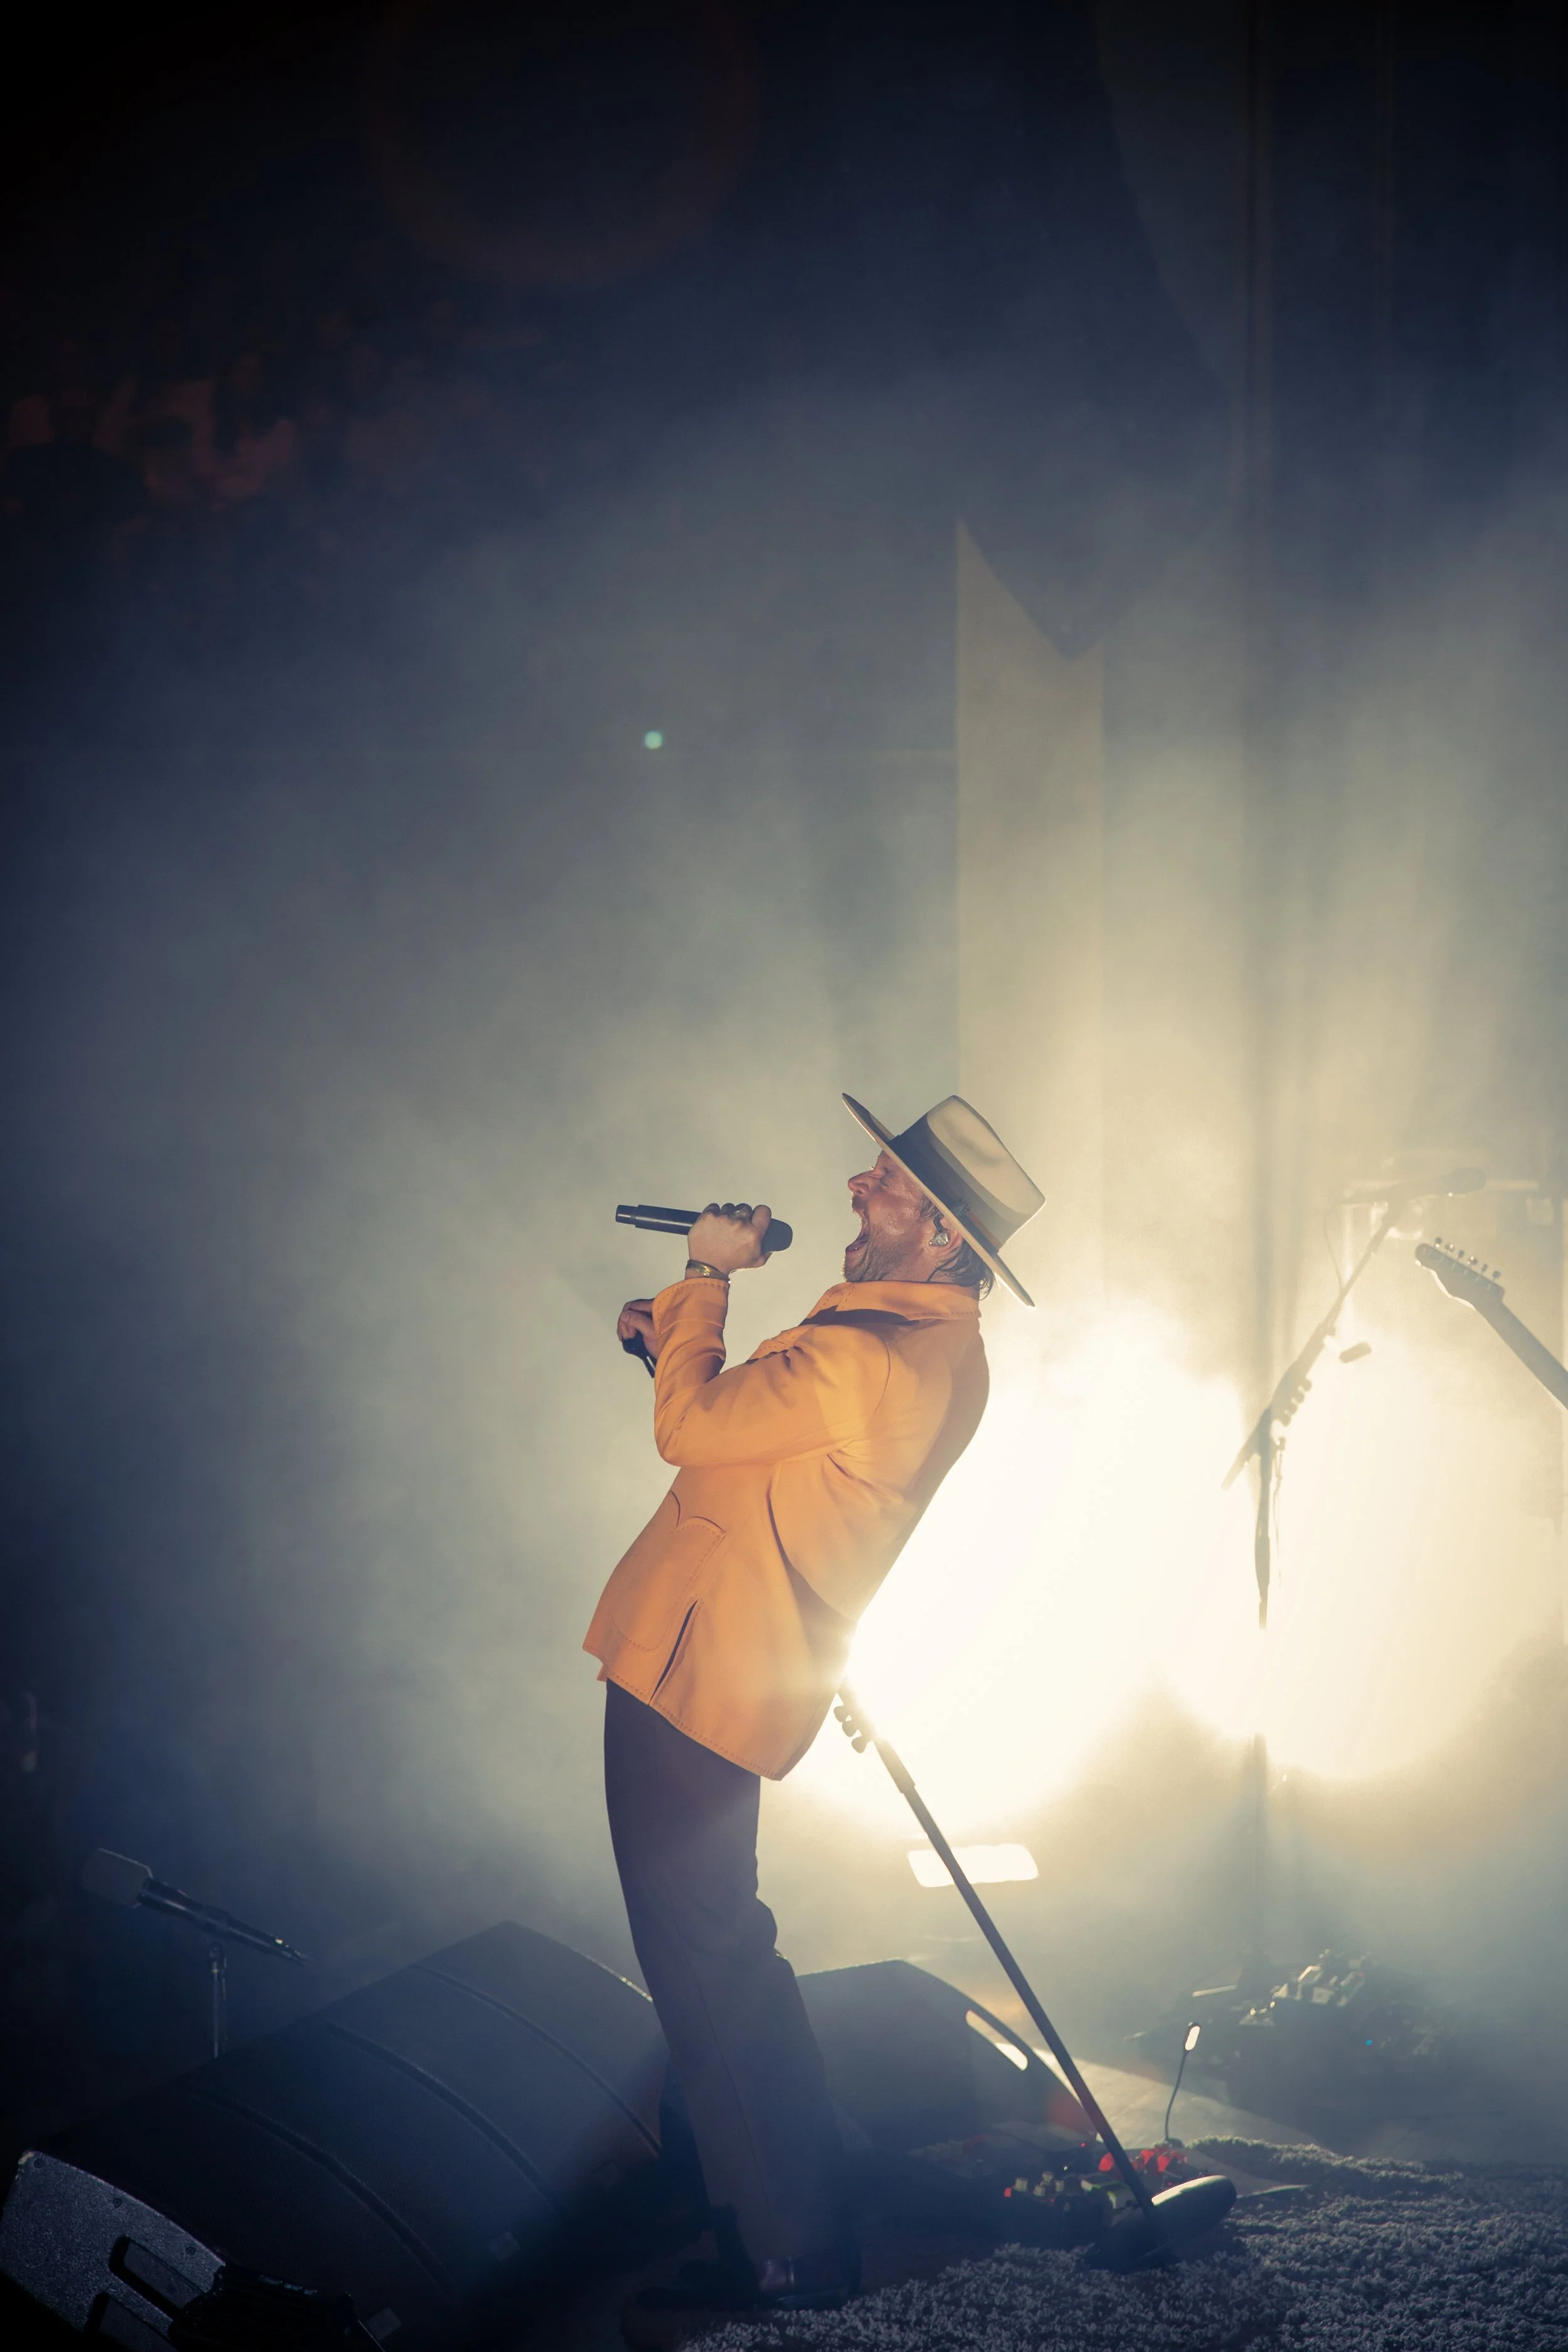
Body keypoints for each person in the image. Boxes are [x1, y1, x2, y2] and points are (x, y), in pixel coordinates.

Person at [586, 1091, 1044, 2327]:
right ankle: (779, 2206)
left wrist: (702, 1276)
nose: (855, 1185)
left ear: (942, 1234)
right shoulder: (935, 1346)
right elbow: (765, 1447)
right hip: (738, 1656)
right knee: (722, 1951)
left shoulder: (869, 1352)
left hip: (698, 1669)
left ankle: (785, 2251)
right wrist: (669, 1332)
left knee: (706, 1964)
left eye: (886, 1180)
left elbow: (691, 1432)